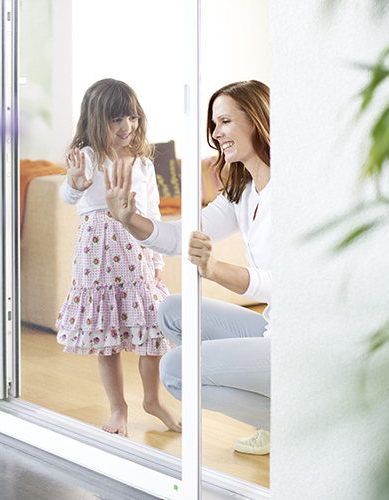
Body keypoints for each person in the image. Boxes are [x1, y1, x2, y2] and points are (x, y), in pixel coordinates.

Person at [103, 80, 272, 455]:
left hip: (298, 339)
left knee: (176, 370)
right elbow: (179, 236)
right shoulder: (243, 191)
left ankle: (285, 418)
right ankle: (272, 408)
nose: (216, 133)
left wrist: (215, 269)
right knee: (171, 310)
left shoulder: (288, 192)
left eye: (225, 121)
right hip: (272, 325)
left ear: (257, 119)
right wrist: (129, 219)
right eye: (214, 124)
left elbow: (284, 285)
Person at [55, 78, 182, 437]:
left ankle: (152, 400)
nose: (127, 126)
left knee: (154, 328)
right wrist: (75, 184)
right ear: (97, 120)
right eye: (116, 119)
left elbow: (153, 212)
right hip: (97, 255)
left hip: (135, 251)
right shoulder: (87, 158)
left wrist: (156, 261)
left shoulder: (142, 163)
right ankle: (118, 408)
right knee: (105, 335)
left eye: (132, 117)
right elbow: (67, 195)